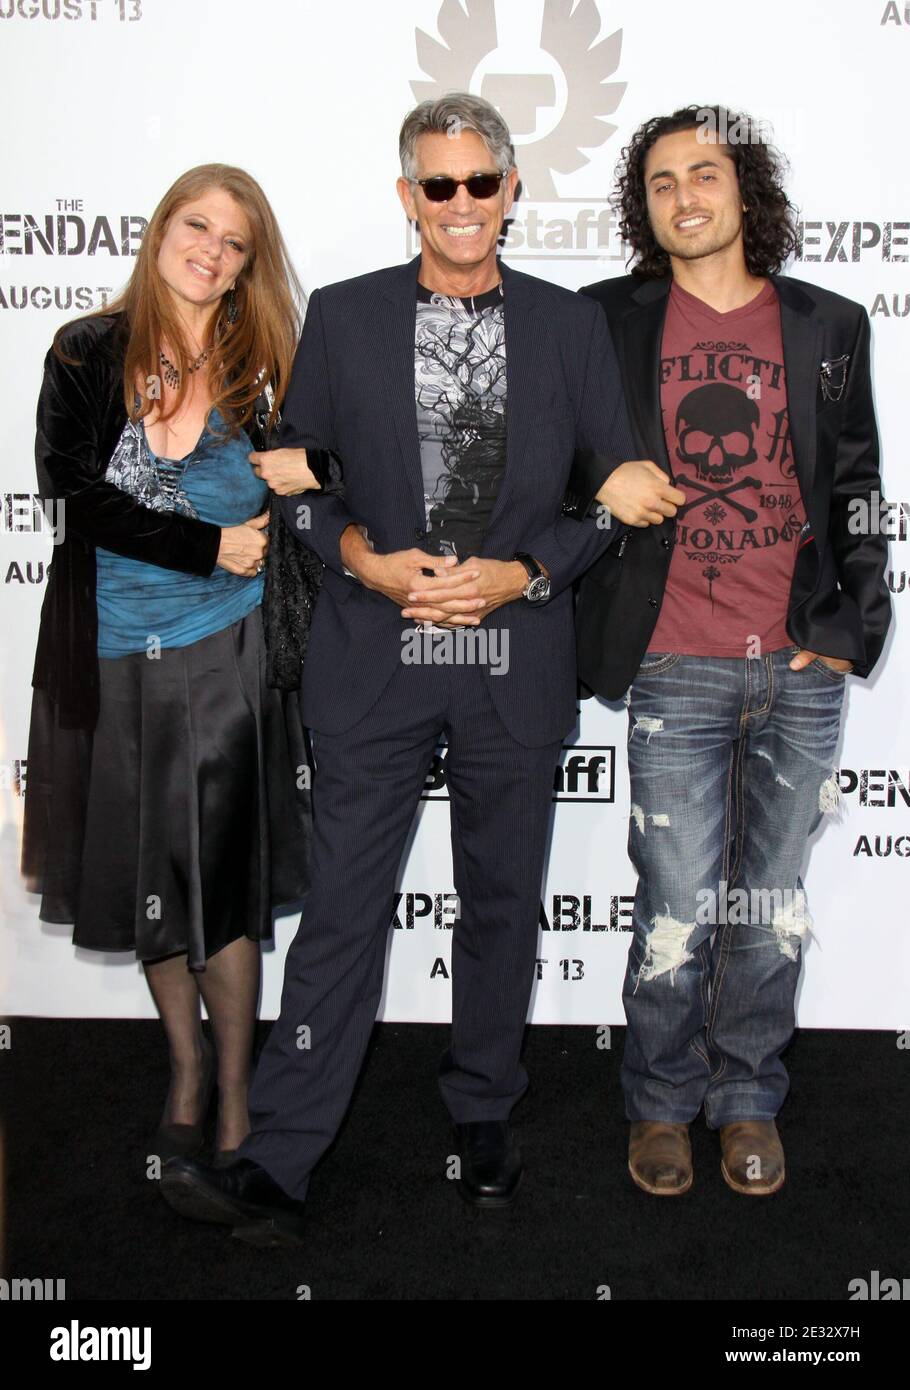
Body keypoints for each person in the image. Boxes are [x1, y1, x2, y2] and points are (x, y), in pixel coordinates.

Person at [159, 93, 672, 1245]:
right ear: (406, 196)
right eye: (435, 185)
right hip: (375, 652)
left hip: (512, 654)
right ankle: (282, 1153)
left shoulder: (565, 325)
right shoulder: (339, 317)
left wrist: (524, 573)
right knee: (343, 909)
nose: (459, 205)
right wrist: (360, 559)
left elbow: (613, 488)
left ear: (509, 192)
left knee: (501, 898)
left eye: (479, 183)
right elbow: (295, 481)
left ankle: (485, 1112)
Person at [565, 106, 891, 1196]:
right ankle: (658, 1102)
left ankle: (747, 1095)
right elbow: (548, 463)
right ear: (642, 205)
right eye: (660, 182)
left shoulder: (827, 322)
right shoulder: (601, 319)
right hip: (669, 657)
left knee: (772, 897)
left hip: (795, 659)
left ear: (743, 190)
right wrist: (596, 481)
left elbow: (854, 488)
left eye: (704, 174)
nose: (683, 197)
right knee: (673, 899)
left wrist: (850, 631)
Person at [21, 163, 324, 1167]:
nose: (213, 250)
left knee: (224, 877)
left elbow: (328, 470)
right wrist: (205, 541)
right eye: (198, 226)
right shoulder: (86, 351)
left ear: (247, 267)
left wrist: (305, 481)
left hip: (231, 648)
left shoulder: (268, 359)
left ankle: (237, 1093)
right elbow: (69, 491)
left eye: (235, 242)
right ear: (160, 233)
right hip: (111, 649)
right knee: (152, 865)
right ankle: (185, 1067)